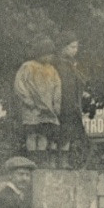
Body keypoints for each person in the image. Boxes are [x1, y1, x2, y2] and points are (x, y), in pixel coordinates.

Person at [12, 41, 61, 154]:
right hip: (32, 107)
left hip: (47, 108)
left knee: (43, 134)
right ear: (40, 53)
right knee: (32, 132)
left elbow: (57, 87)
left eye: (51, 55)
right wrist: (27, 100)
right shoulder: (28, 66)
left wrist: (56, 103)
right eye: (47, 54)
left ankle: (41, 158)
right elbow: (19, 84)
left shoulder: (52, 70)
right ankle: (33, 156)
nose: (49, 57)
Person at [50, 36, 88, 169]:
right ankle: (55, 163)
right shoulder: (57, 64)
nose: (75, 50)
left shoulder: (72, 65)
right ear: (63, 47)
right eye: (72, 47)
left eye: (76, 47)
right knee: (58, 133)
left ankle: (65, 162)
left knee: (68, 133)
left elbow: (79, 82)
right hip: (60, 103)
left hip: (72, 104)